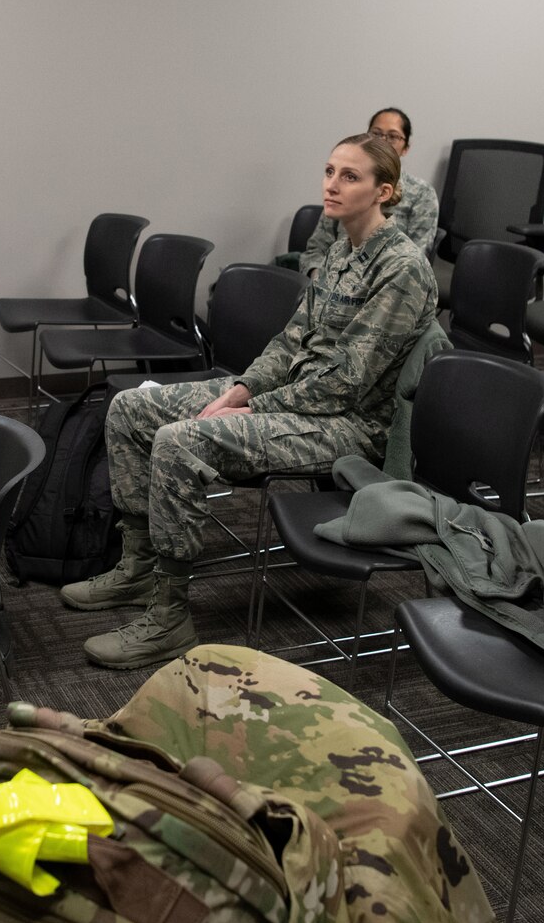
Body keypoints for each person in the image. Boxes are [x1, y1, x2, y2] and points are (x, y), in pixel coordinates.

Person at [64, 133, 438, 669]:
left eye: (349, 176)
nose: (331, 185)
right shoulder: (339, 251)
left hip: (349, 425)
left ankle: (169, 618)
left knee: (178, 441)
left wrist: (252, 410)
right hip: (297, 400)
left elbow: (345, 383)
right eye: (329, 170)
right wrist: (240, 389)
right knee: (129, 408)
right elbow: (290, 343)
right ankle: (137, 566)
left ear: (386, 191)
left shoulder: (400, 267)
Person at [293, 107, 438, 276]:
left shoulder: (421, 193)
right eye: (376, 134)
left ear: (405, 148)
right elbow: (315, 251)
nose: (383, 141)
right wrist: (320, 283)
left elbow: (414, 261)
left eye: (392, 136)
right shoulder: (340, 193)